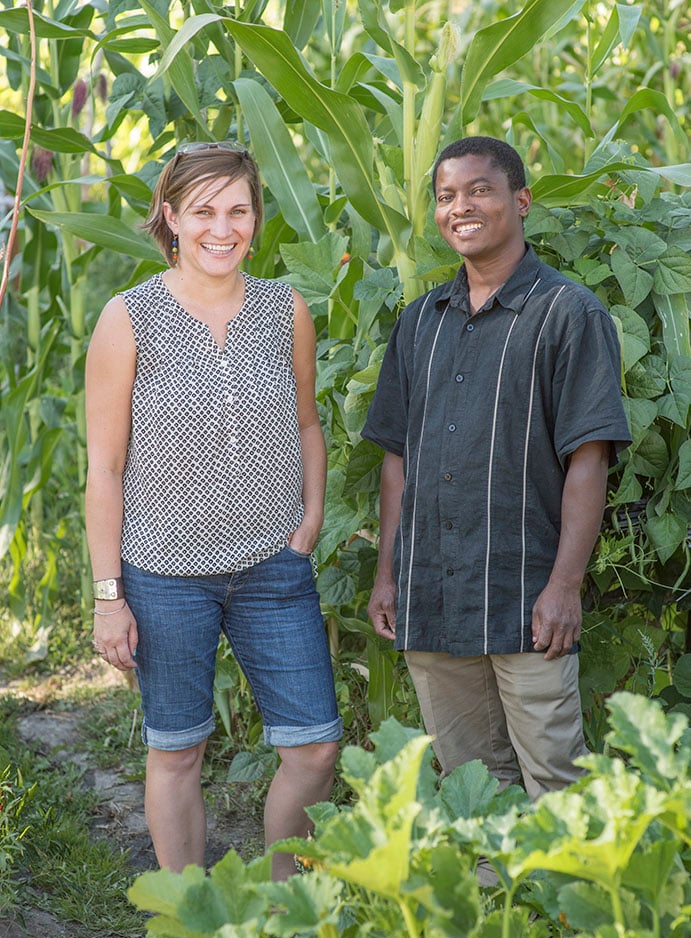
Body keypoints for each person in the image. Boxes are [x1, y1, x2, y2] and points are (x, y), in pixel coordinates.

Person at [85, 141, 342, 880]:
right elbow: (102, 469)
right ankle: (190, 911)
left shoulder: (283, 309)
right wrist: (110, 598)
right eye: (202, 211)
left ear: (258, 218)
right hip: (164, 574)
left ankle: (278, 896)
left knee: (315, 748)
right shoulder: (129, 318)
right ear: (170, 217)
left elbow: (306, 423)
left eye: (238, 210)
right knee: (177, 750)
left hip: (273, 565)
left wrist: (310, 522)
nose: (220, 228)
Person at [363, 136, 631, 800]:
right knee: (471, 785)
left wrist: (564, 586)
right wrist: (388, 573)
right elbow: (397, 459)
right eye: (446, 195)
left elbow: (588, 458)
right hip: (433, 592)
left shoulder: (567, 314)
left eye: (479, 189)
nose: (461, 207)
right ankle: (494, 901)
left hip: (524, 597)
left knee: (556, 778)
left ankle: (572, 903)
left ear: (520, 199)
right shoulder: (419, 322)